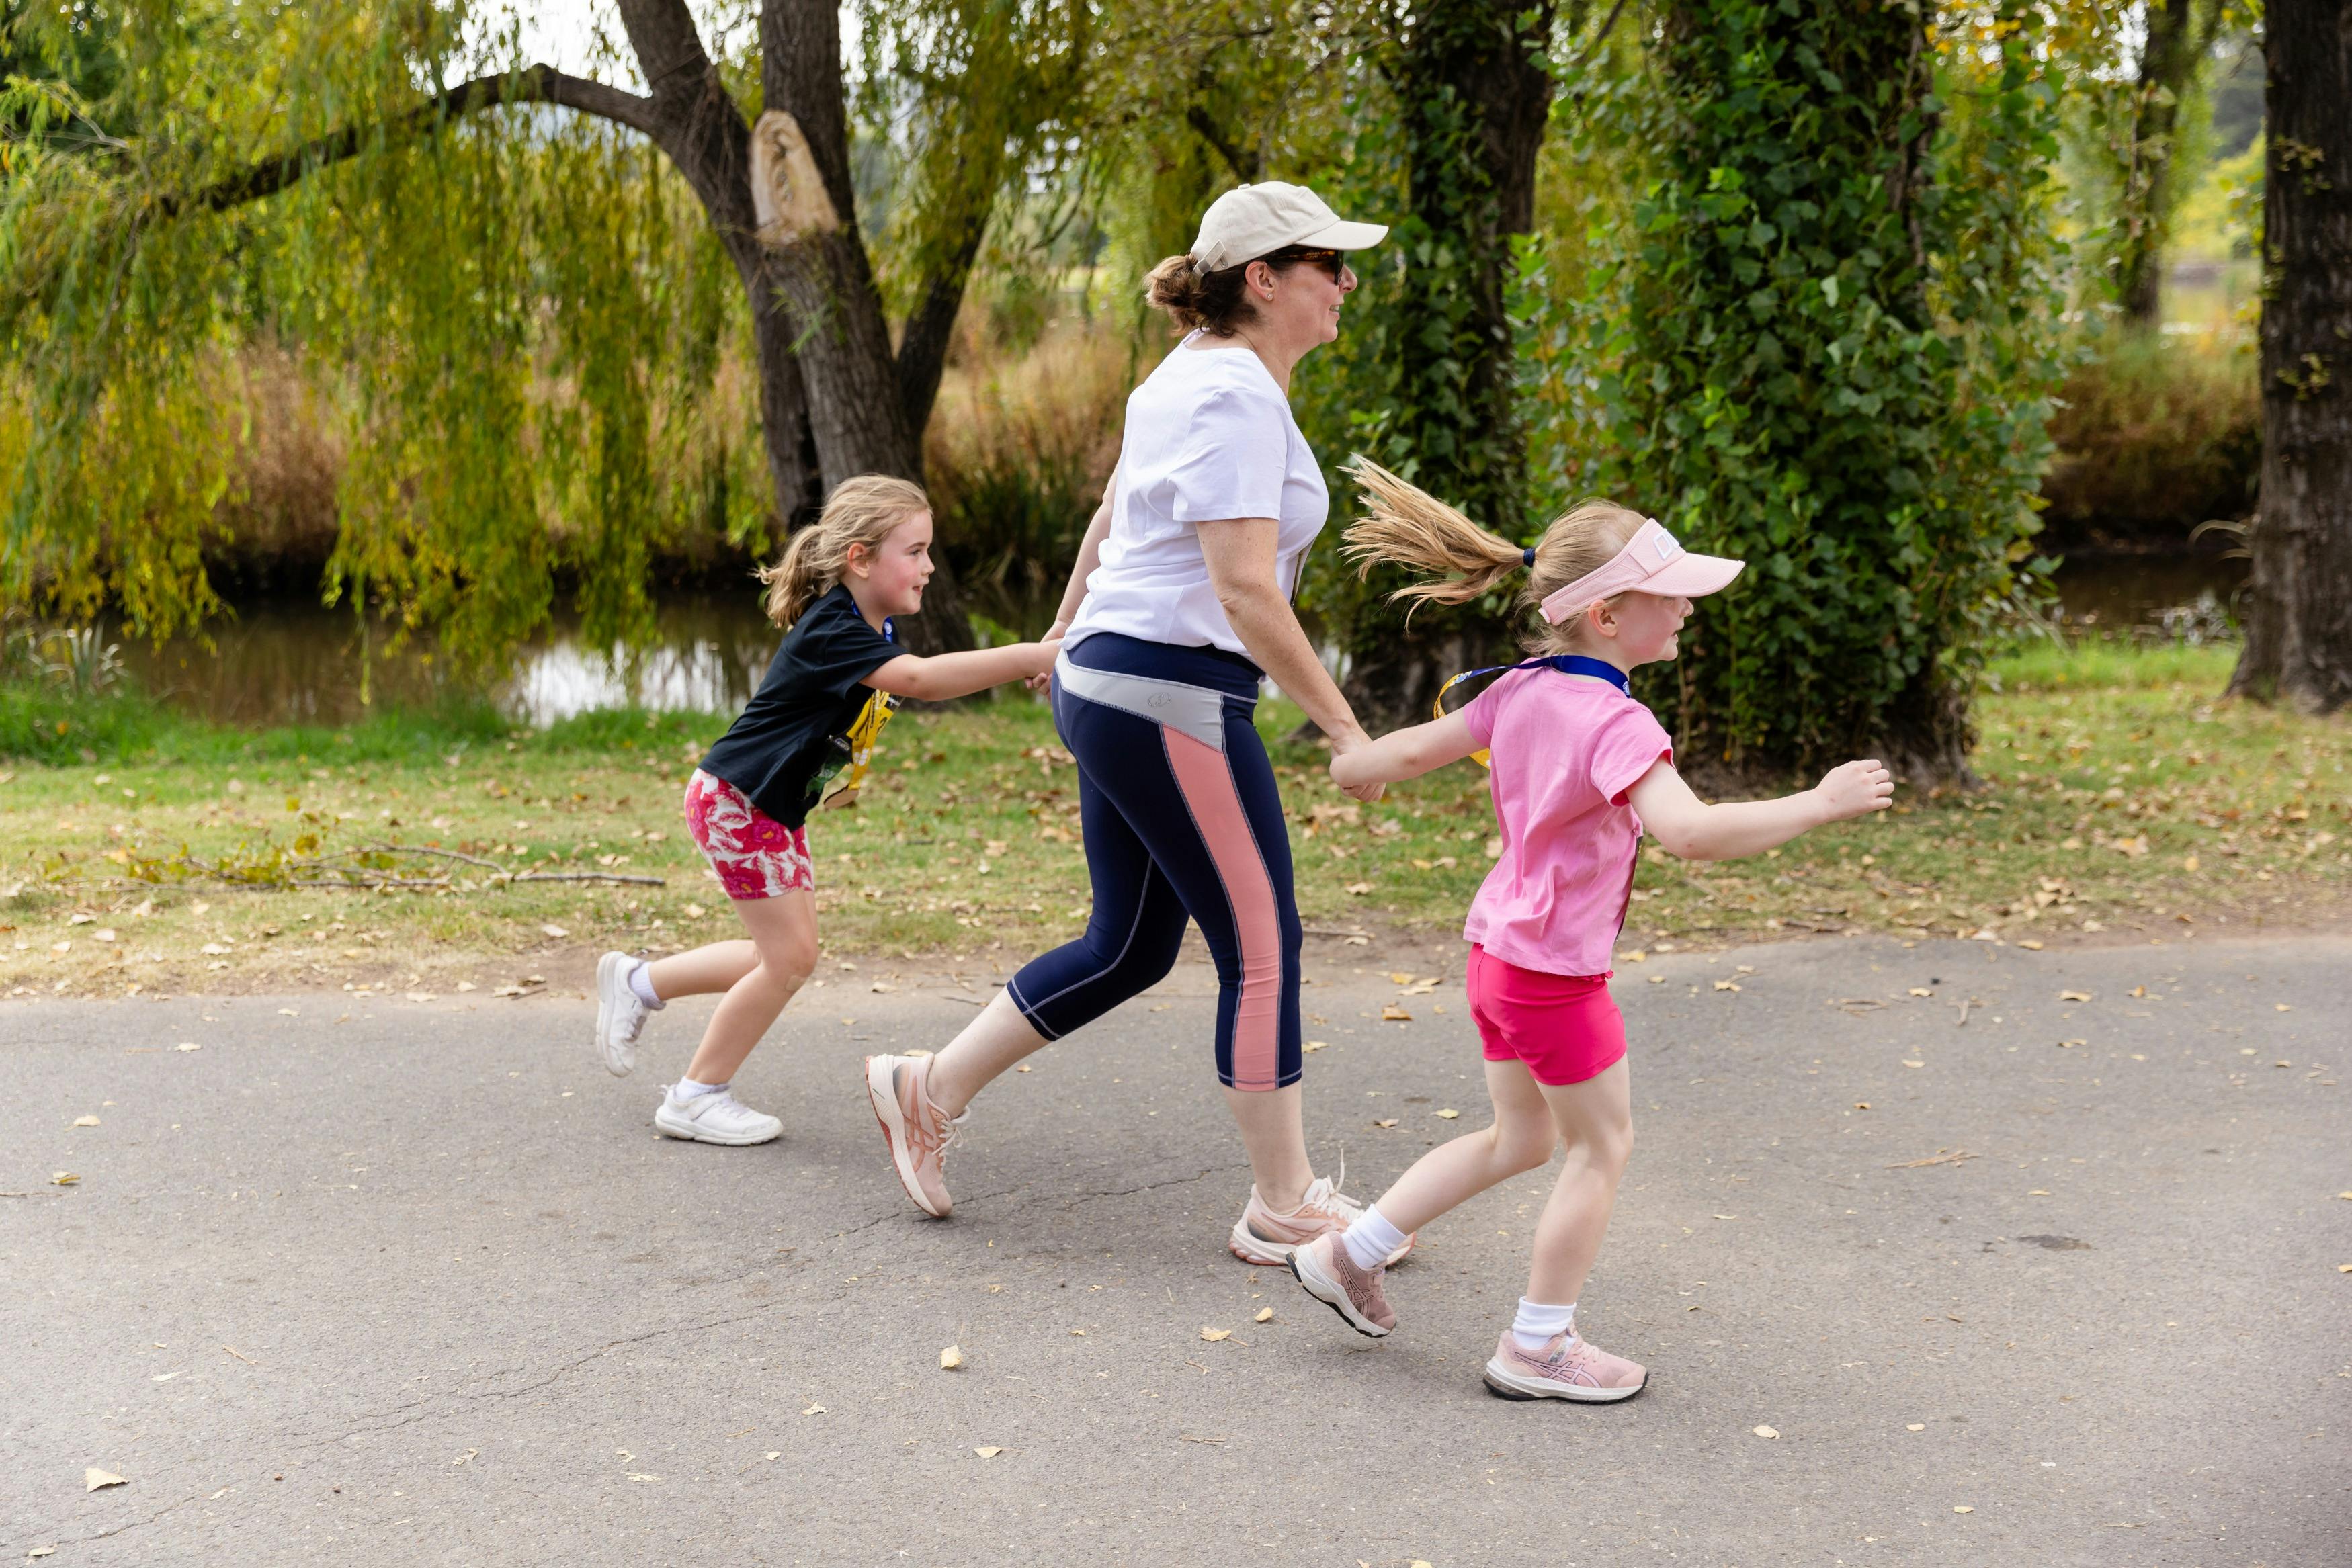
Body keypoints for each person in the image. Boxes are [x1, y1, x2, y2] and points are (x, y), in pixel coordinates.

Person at [862, 181, 1408, 1267]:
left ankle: (928, 1086)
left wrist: (1068, 634)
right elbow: (1248, 591)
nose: (1348, 282)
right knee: (1262, 943)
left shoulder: (1189, 379)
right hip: (1168, 692)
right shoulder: (1236, 396)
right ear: (1264, 278)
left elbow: (1113, 515)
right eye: (1329, 265)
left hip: (1116, 681)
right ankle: (1284, 1203)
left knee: (1133, 940)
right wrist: (1348, 728)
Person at [1283, 459, 1894, 1402]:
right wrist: (1816, 802)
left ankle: (1348, 1254)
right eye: (1673, 595)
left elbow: (1404, 751)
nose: (1689, 609)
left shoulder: (1515, 688)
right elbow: (1689, 832)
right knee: (1600, 1148)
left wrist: (1352, 763)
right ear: (1607, 616)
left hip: (1496, 958)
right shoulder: (1617, 721)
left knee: (1517, 1138)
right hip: (1556, 978)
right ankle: (1538, 1343)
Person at [591, 476, 1058, 1145]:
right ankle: (695, 1095)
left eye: (929, 551)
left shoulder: (870, 623)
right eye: (916, 551)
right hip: (739, 801)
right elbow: (921, 681)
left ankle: (639, 982)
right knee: (789, 959)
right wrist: (1034, 656)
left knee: (778, 954)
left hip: (765, 805)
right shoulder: (835, 628)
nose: (928, 567)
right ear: (860, 559)